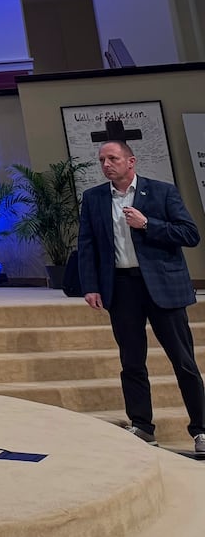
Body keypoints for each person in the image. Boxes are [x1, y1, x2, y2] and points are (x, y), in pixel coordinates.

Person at [78, 140, 205, 453]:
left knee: (183, 361)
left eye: (113, 158)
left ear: (130, 161)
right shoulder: (93, 198)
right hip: (121, 288)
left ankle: (201, 430)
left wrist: (148, 224)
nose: (107, 164)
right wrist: (91, 285)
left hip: (164, 288)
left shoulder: (161, 192)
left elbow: (190, 234)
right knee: (131, 361)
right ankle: (142, 426)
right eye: (102, 160)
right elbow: (87, 246)